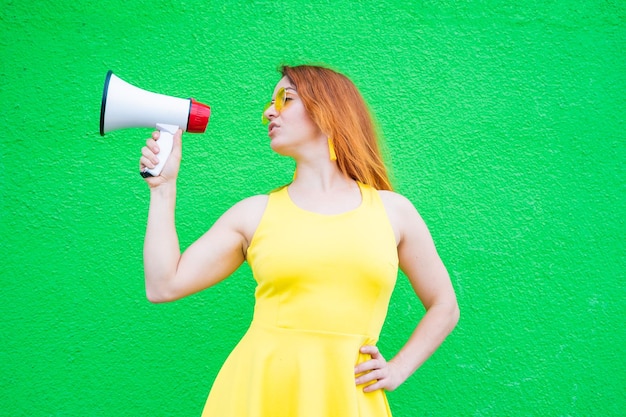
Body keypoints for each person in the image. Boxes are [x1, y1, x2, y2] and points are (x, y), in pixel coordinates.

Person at [139, 64, 459, 416]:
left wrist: (398, 368)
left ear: (328, 109)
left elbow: (444, 304)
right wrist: (163, 188)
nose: (268, 112)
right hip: (257, 394)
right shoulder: (253, 214)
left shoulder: (394, 212)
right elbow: (163, 285)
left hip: (347, 397)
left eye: (285, 99)